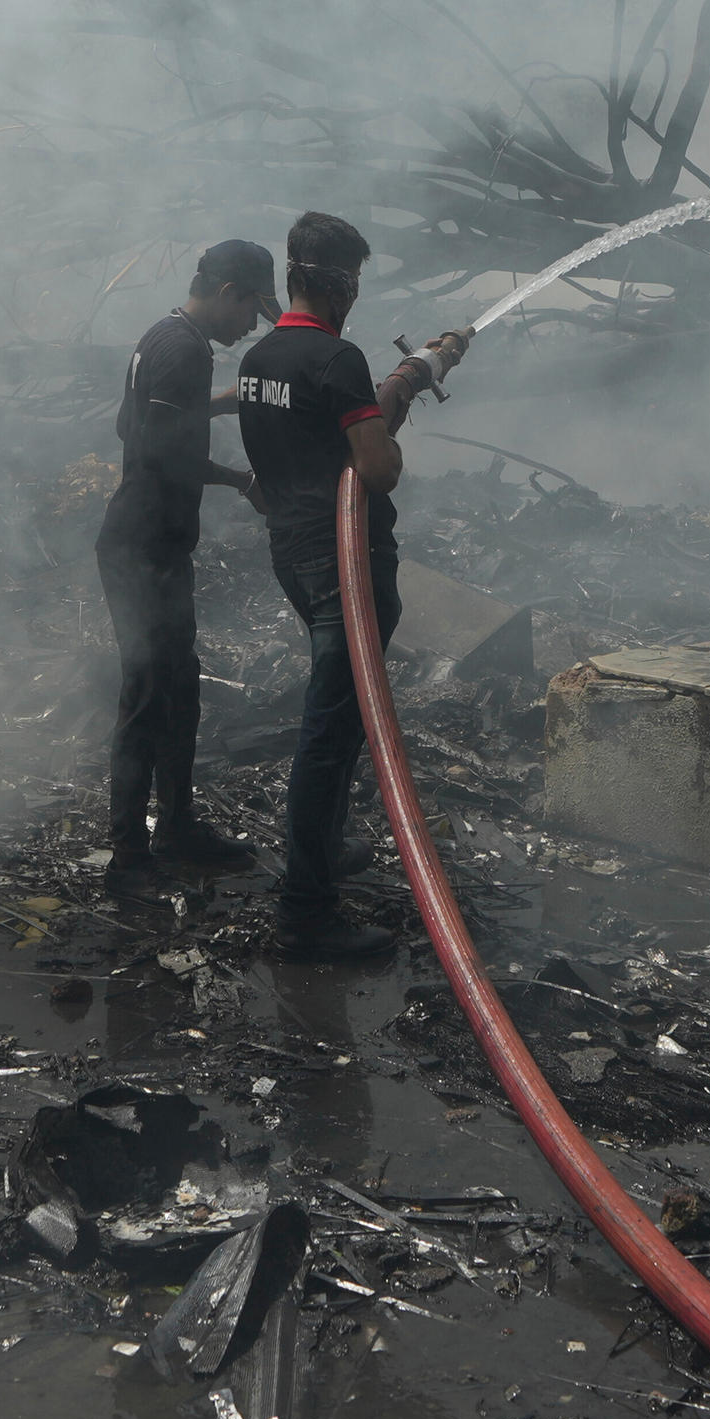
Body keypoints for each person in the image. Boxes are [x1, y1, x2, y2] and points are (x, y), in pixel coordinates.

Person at [234, 209, 466, 957]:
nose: (358, 298)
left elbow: (315, 438)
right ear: (334, 282)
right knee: (330, 734)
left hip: (292, 556)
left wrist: (406, 377)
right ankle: (307, 912)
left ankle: (327, 850)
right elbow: (374, 465)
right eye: (356, 283)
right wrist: (390, 406)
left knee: (334, 721)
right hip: (346, 568)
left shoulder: (259, 357)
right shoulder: (334, 361)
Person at [95, 239, 278, 873]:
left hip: (151, 544)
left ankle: (174, 829)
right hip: (143, 547)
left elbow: (132, 425)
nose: (253, 324)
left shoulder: (164, 338)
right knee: (148, 691)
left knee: (176, 687)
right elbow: (160, 452)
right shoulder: (183, 350)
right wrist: (242, 482)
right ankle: (128, 851)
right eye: (252, 308)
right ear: (229, 294)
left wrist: (226, 399)